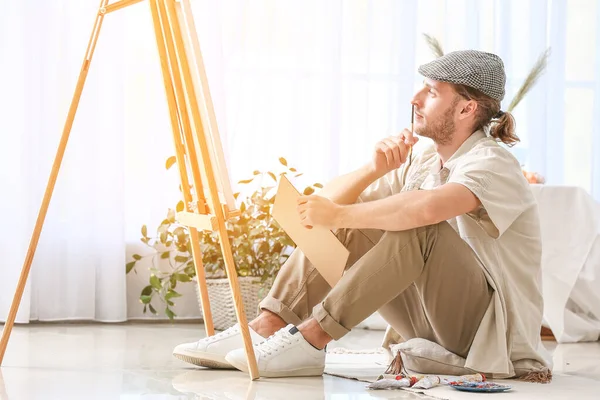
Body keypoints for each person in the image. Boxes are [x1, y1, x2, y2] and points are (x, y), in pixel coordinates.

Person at [173, 50, 552, 381]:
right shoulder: (422, 160)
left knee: (416, 227)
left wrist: (341, 213)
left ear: (468, 108)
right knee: (356, 224)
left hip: (487, 334)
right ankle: (265, 328)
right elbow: (317, 212)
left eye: (432, 91)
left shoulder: (493, 161)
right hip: (426, 318)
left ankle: (311, 340)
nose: (415, 98)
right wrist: (372, 170)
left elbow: (429, 209)